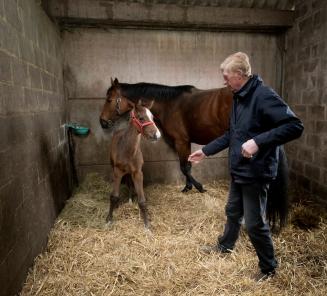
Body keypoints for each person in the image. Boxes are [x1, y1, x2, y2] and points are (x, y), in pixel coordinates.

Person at [188, 52, 304, 281]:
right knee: (232, 210)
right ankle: (225, 246)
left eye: (226, 76)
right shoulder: (239, 97)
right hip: (240, 170)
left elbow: (295, 126)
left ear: (239, 75)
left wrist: (257, 142)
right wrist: (206, 150)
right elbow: (232, 134)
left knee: (254, 223)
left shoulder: (263, 96)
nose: (224, 80)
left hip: (256, 172)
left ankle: (268, 268)